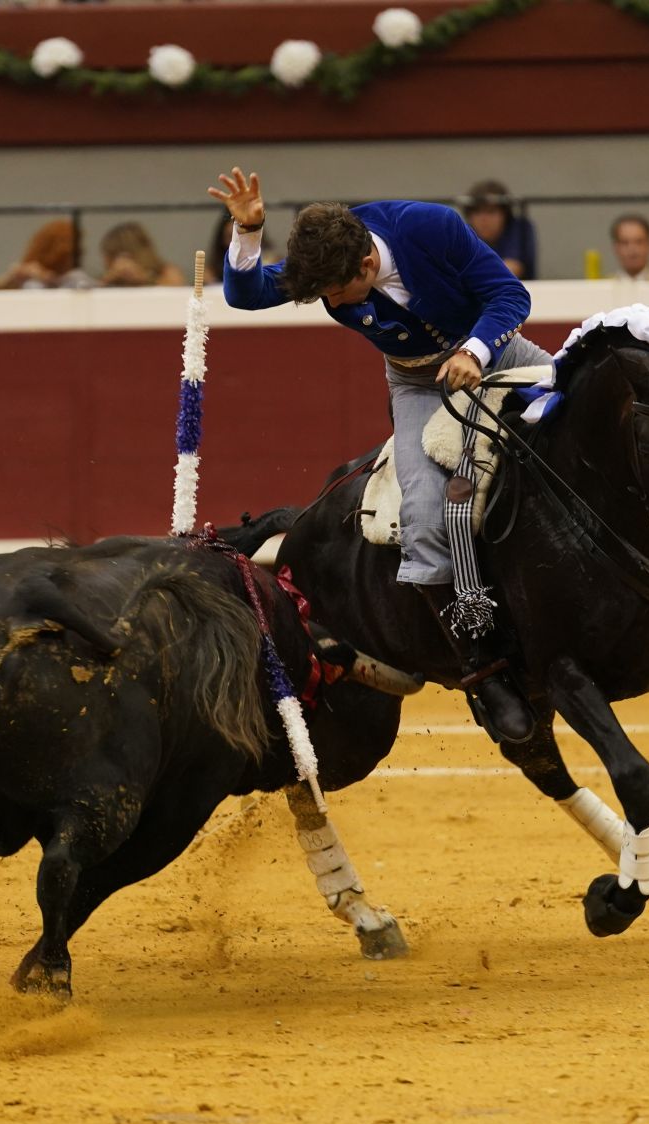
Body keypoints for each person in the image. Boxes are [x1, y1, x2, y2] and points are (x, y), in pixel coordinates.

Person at [208, 166, 544, 743]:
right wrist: (248, 232)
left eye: (336, 296)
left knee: (582, 429)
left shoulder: (430, 227)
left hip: (500, 354)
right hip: (416, 384)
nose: (331, 303)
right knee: (421, 514)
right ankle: (484, 669)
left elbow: (510, 294)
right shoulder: (325, 258)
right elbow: (245, 295)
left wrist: (474, 349)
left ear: (366, 264)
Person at [462, 179, 538, 280]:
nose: (484, 219)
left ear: (505, 214)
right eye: (477, 212)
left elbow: (512, 269)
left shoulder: (520, 228)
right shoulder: (464, 232)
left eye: (491, 211)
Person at [0, 219, 94, 290]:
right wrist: (13, 277)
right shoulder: (28, 274)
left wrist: (50, 278)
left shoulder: (76, 277)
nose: (81, 252)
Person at [99, 222, 187, 288]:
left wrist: (145, 279)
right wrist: (109, 279)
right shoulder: (111, 280)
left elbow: (178, 294)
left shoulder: (166, 272)